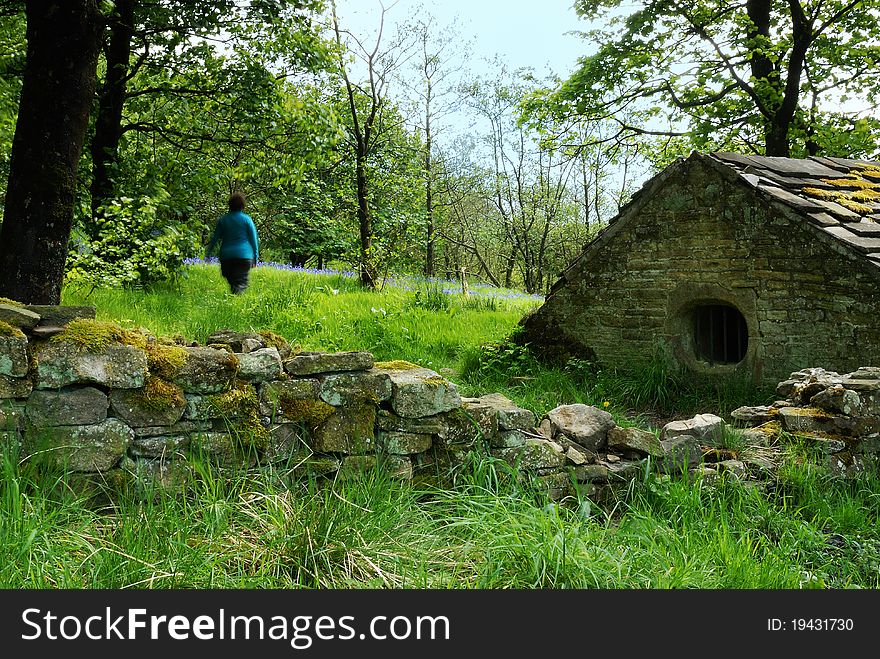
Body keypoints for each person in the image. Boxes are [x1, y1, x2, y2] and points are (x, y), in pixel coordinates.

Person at [206, 192, 260, 294]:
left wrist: (208, 253)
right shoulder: (247, 220)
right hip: (244, 257)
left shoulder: (223, 220)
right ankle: (238, 295)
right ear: (242, 205)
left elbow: (215, 238)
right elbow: (254, 240)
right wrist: (256, 258)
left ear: (229, 205)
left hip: (227, 257)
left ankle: (236, 297)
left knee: (232, 279)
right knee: (240, 282)